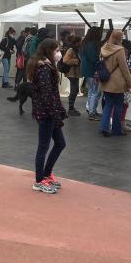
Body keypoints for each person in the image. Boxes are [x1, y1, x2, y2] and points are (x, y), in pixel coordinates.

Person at [28, 38, 67, 194]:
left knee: (60, 143)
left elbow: (51, 93)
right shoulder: (43, 68)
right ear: (49, 51)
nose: (59, 53)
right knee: (43, 147)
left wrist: (58, 110)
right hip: (46, 113)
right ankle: (39, 181)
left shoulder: (47, 65)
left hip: (50, 112)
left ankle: (46, 173)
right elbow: (46, 94)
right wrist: (54, 113)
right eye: (57, 50)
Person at [99, 30, 131, 137]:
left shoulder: (104, 47)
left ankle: (104, 127)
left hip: (106, 80)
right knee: (118, 106)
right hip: (117, 82)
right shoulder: (120, 50)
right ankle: (116, 129)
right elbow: (124, 68)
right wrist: (129, 82)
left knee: (108, 105)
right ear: (119, 38)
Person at [81, 27, 102, 121]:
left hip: (86, 70)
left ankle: (91, 110)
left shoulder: (85, 43)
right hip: (92, 70)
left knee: (91, 91)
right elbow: (93, 58)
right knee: (95, 92)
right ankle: (92, 113)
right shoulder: (92, 44)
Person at [62, 36, 82, 116]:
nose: (81, 42)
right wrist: (76, 61)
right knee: (74, 90)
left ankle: (71, 108)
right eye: (80, 41)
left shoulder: (76, 49)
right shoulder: (71, 50)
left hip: (75, 73)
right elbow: (65, 60)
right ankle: (70, 109)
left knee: (75, 90)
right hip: (72, 73)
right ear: (77, 42)